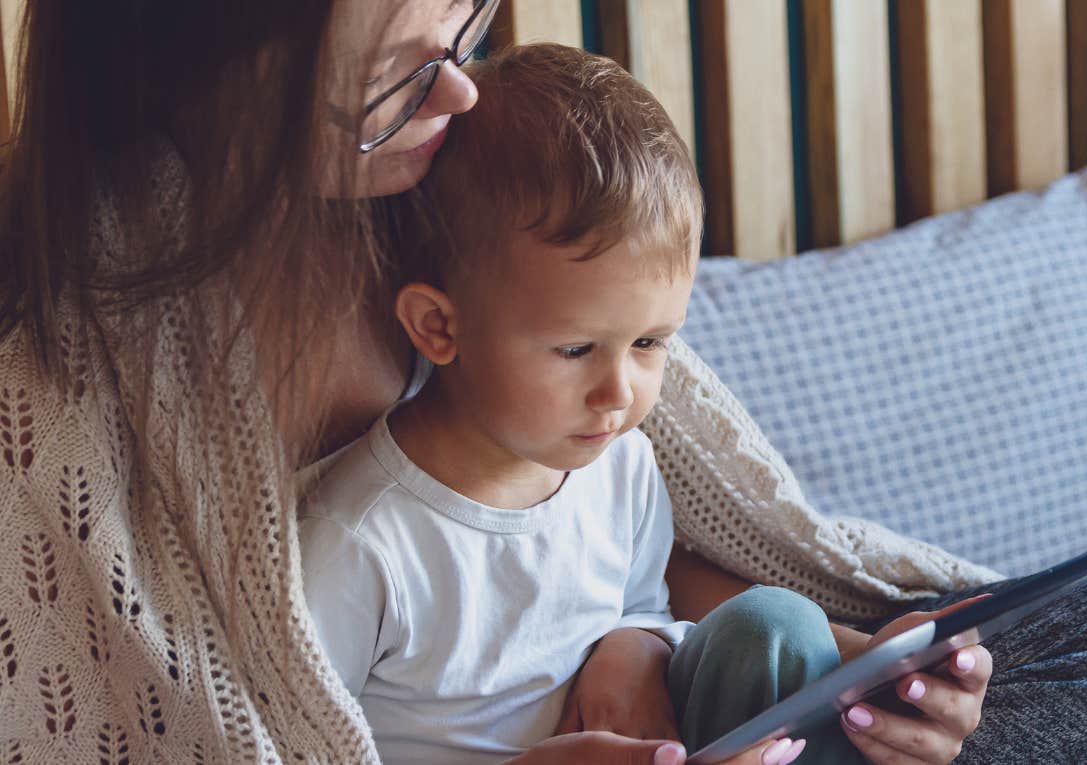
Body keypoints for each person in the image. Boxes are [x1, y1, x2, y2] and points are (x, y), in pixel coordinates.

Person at [0, 2, 790, 762]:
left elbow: (610, 557)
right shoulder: (56, 385)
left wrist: (843, 661)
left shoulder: (493, 192)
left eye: (465, 20)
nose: (461, 89)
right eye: (393, 76)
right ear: (215, 78)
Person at [298, 43, 813, 765]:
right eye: (575, 350)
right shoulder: (362, 540)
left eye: (650, 342)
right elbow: (288, 744)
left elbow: (642, 603)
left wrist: (632, 643)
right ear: (440, 326)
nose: (619, 392)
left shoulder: (621, 467)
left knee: (781, 625)